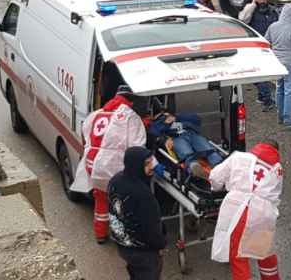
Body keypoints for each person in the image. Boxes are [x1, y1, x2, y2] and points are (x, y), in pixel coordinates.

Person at [71, 85, 147, 243]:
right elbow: (137, 147)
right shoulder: (130, 116)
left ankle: (100, 234)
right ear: (131, 100)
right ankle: (121, 236)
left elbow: (85, 133)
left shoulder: (97, 114)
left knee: (101, 198)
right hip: (113, 167)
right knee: (121, 202)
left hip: (92, 164)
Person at [209, 140, 283, 280]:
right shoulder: (277, 169)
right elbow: (275, 194)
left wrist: (216, 187)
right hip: (263, 214)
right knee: (263, 252)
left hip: (241, 210)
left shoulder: (239, 157)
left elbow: (215, 177)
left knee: (238, 256)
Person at [108, 147, 166, 280]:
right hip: (143, 252)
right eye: (146, 164)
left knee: (134, 273)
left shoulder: (115, 181)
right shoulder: (143, 195)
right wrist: (161, 244)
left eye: (151, 162)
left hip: (123, 245)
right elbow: (152, 228)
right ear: (136, 165)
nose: (151, 167)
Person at [147, 110, 222, 179]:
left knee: (207, 148)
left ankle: (219, 164)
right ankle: (194, 167)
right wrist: (164, 124)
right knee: (186, 152)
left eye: (164, 115)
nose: (164, 117)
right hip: (176, 138)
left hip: (191, 134)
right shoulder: (156, 124)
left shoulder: (179, 117)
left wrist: (176, 117)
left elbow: (196, 119)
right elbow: (153, 132)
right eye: (160, 116)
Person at [239, 0, 280, 109]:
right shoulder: (251, 9)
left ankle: (266, 98)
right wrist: (252, 5)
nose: (263, 0)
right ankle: (264, 96)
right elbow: (242, 19)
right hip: (253, 46)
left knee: (261, 73)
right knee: (253, 72)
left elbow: (277, 27)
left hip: (268, 47)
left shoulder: (273, 11)